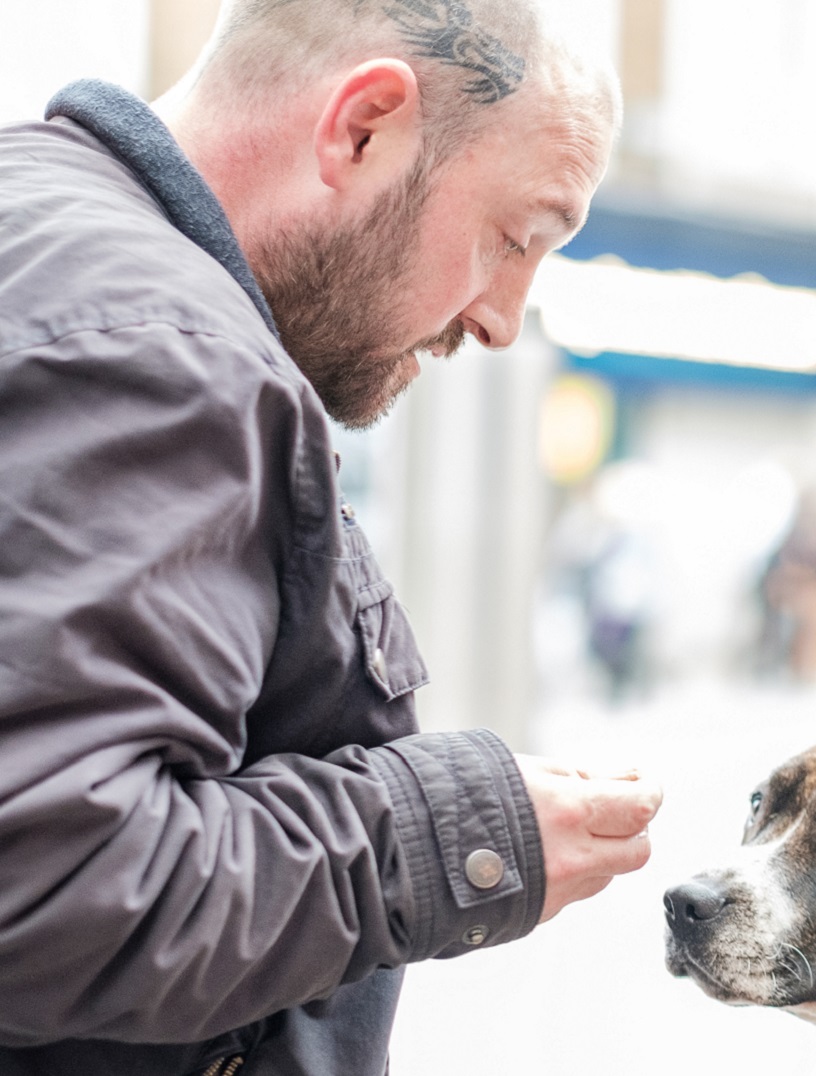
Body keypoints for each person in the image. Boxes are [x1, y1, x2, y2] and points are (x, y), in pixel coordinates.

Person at [0, 2, 661, 1072]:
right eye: (514, 239)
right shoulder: (160, 354)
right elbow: (55, 880)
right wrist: (451, 833)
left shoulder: (43, 228)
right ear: (363, 128)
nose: (501, 319)